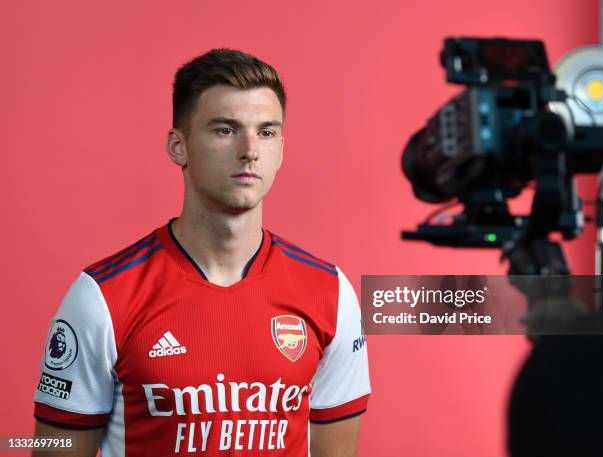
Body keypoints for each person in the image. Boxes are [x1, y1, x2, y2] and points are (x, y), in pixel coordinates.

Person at [33, 49, 371, 457]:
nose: (249, 150)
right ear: (179, 147)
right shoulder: (102, 296)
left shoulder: (329, 292)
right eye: (225, 130)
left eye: (266, 132)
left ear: (281, 148)